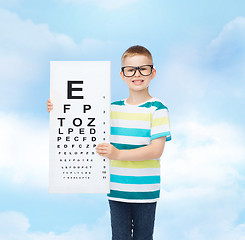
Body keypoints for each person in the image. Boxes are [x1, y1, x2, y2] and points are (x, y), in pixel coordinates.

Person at [47, 45, 171, 240]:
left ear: (152, 72)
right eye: (130, 70)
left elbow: (156, 150)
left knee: (144, 237)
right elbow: (77, 112)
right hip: (116, 189)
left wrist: (119, 154)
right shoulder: (110, 108)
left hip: (145, 190)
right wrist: (57, 107)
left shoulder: (157, 109)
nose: (136, 74)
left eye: (143, 69)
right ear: (122, 75)